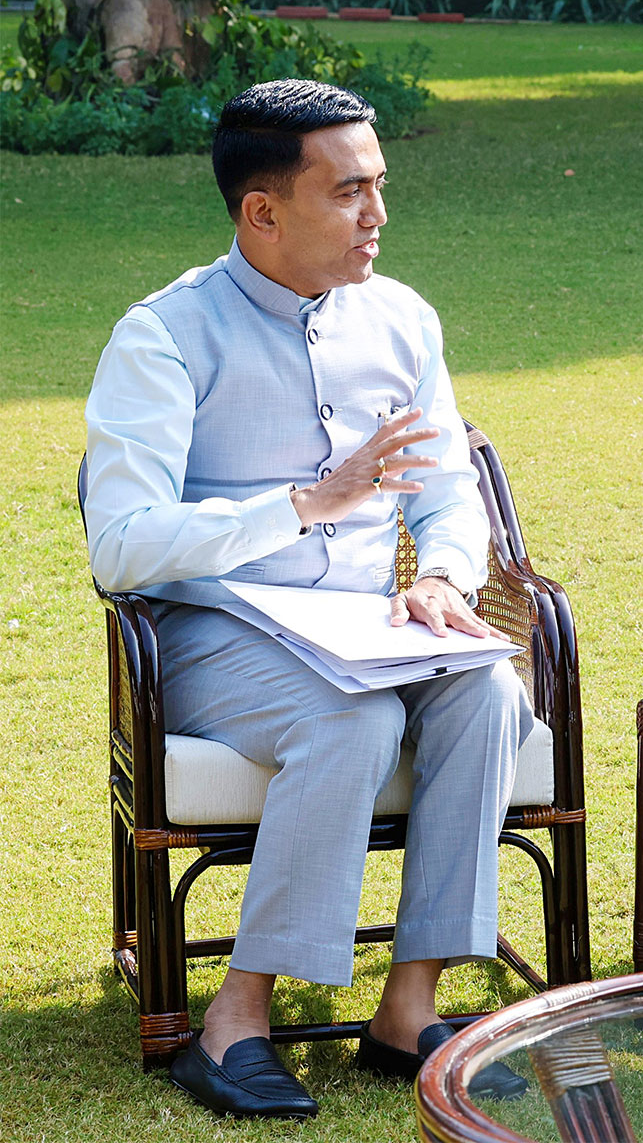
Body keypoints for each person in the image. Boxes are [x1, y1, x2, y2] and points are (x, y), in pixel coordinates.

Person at [83, 80, 533, 1118]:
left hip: (368, 627)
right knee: (349, 719)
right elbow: (122, 545)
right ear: (263, 211)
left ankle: (408, 1009)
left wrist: (445, 580)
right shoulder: (162, 337)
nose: (377, 215)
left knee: (488, 696)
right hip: (213, 635)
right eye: (350, 193)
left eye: (379, 188)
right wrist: (302, 505)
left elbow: (447, 491)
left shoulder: (403, 318)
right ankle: (235, 1019)